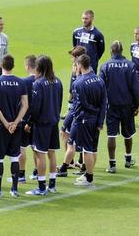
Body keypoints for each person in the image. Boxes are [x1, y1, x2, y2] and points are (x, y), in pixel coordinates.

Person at [0, 55, 28, 198]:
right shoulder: (21, 82)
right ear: (13, 66)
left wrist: (6, 123)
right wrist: (15, 123)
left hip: (0, 126)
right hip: (16, 127)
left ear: (0, 65)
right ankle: (14, 189)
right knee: (14, 157)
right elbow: (25, 105)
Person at [99, 41, 139, 173]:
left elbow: (101, 87)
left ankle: (112, 164)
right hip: (127, 105)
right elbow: (135, 87)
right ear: (122, 51)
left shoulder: (105, 66)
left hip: (111, 105)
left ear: (111, 50)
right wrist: (136, 104)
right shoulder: (130, 65)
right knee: (127, 134)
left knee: (111, 134)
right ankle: (128, 159)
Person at [26, 55, 63, 195]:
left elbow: (35, 107)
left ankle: (41, 188)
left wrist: (29, 122)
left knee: (40, 154)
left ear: (39, 67)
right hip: (54, 122)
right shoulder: (58, 81)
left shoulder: (38, 83)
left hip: (41, 124)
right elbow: (59, 103)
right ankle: (52, 185)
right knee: (51, 153)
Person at [70, 54, 107, 187]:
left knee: (87, 150)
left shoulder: (78, 83)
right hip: (96, 120)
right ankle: (87, 174)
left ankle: (89, 178)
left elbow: (82, 104)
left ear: (80, 65)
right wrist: (100, 120)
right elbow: (104, 102)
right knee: (92, 148)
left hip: (85, 119)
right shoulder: (99, 80)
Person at [57, 46, 87, 178]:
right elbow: (71, 90)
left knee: (69, 135)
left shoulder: (80, 75)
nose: (71, 59)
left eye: (73, 57)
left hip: (77, 109)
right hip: (73, 107)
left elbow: (75, 93)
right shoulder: (75, 71)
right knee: (70, 135)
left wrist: (70, 107)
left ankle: (72, 163)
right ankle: (75, 162)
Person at [19, 55, 37, 181]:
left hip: (25, 119)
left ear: (28, 66)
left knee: (22, 147)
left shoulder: (24, 82)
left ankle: (21, 175)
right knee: (35, 147)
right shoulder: (43, 81)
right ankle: (37, 173)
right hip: (37, 119)